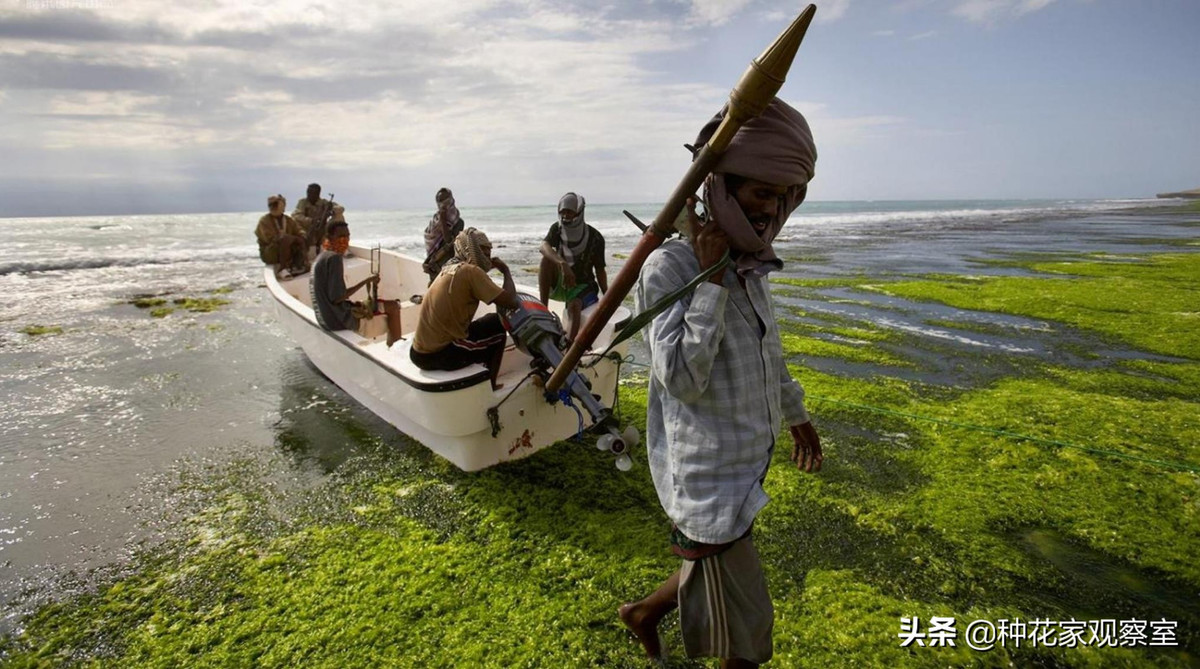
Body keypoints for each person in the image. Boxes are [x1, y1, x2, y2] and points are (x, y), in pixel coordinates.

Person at [619, 98, 824, 668]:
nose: (772, 208)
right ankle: (646, 615)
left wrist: (797, 415)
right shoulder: (672, 269)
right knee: (750, 640)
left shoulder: (751, 265)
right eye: (761, 192)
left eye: (783, 196)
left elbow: (769, 354)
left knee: (713, 563)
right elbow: (681, 380)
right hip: (707, 473)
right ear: (723, 188)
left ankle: (642, 613)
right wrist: (709, 285)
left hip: (746, 463)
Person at [410, 228, 519, 390]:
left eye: (489, 251)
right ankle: (490, 385)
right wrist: (506, 271)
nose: (488, 256)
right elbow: (510, 301)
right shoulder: (470, 271)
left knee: (487, 321)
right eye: (483, 250)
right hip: (440, 354)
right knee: (497, 326)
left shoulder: (448, 269)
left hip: (418, 353)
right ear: (470, 249)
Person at [310, 221, 403, 346]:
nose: (345, 239)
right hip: (338, 320)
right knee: (393, 306)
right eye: (340, 236)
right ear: (330, 237)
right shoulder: (334, 258)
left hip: (325, 319)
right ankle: (396, 348)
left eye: (347, 236)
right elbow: (337, 298)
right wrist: (367, 281)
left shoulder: (321, 258)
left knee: (375, 305)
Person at [538, 192, 608, 342]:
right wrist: (562, 264)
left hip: (583, 285)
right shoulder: (557, 229)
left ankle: (568, 346)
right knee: (546, 260)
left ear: (579, 212)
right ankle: (543, 312)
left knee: (575, 307)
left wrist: (607, 295)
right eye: (562, 212)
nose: (565, 216)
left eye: (569, 212)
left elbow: (600, 269)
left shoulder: (595, 237)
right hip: (563, 282)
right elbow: (544, 246)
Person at [255, 193, 308, 279]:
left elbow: (299, 230)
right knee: (285, 239)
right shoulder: (264, 221)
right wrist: (285, 237)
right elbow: (269, 239)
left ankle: (301, 265)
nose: (273, 207)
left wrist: (302, 236)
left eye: (276, 204)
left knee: (301, 239)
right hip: (270, 252)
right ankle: (282, 269)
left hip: (287, 251)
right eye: (271, 205)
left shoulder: (288, 220)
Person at [422, 187, 465, 284]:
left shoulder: (458, 222)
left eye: (445, 200)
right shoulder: (435, 220)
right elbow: (429, 238)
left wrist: (443, 220)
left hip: (448, 263)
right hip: (434, 262)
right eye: (440, 201)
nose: (443, 204)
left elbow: (448, 240)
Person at [292, 183, 342, 253]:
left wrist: (332, 210)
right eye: (308, 192)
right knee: (294, 221)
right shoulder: (303, 202)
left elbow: (341, 208)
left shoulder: (324, 202)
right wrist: (311, 220)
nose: (308, 194)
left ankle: (341, 243)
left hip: (323, 230)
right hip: (308, 229)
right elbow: (296, 215)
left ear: (318, 194)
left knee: (339, 216)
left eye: (311, 192)